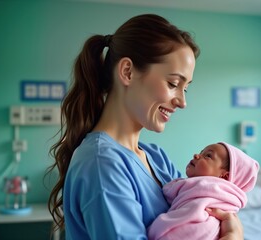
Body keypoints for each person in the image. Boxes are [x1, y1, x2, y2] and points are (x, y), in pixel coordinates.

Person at [46, 14, 244, 240]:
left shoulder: (156, 157)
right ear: (127, 72)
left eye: (185, 88)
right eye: (173, 84)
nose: (182, 101)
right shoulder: (102, 164)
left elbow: (196, 211)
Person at [148, 142, 260, 240]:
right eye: (201, 152)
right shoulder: (229, 200)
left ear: (224, 177)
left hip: (195, 229)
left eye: (208, 156)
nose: (196, 155)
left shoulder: (194, 184)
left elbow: (167, 191)